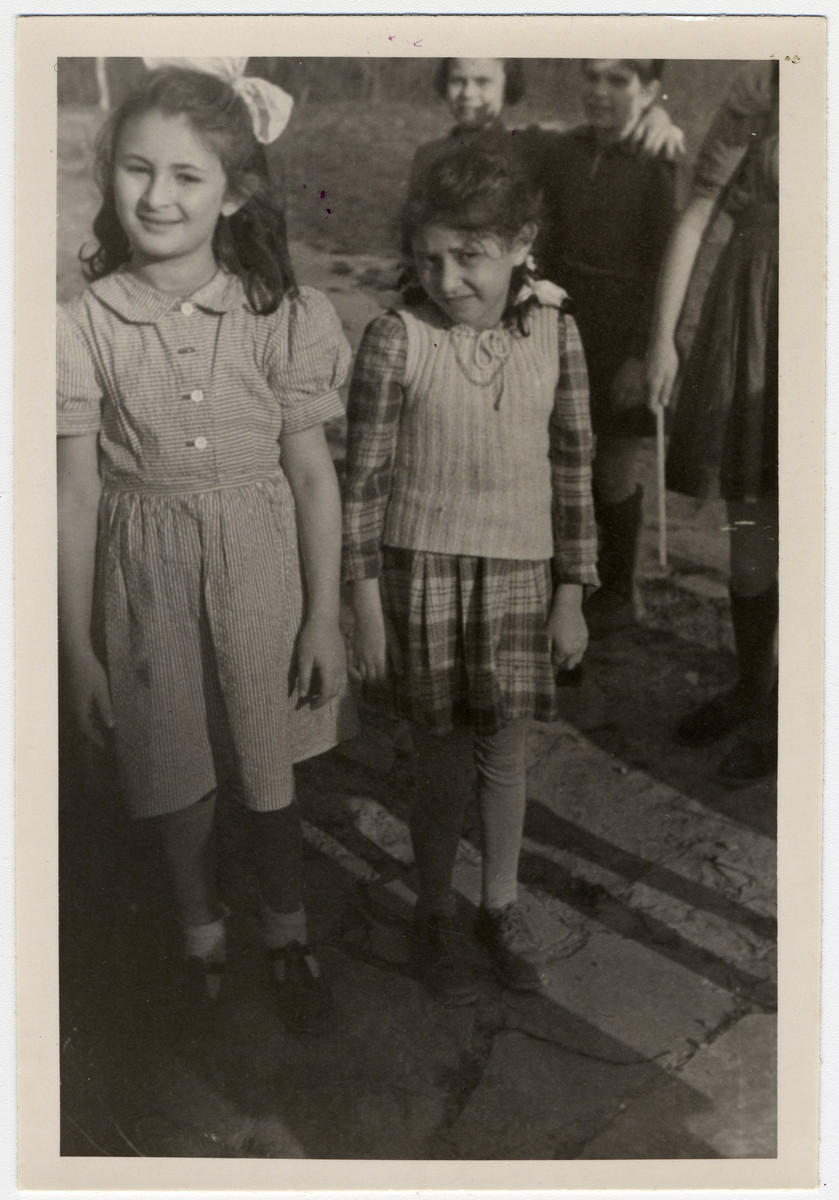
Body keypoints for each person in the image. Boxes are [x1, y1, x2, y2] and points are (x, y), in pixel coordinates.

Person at [57, 64, 352, 1034]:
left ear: (234, 192)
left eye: (187, 176)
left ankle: (286, 930)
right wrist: (79, 650)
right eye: (138, 170)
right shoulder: (79, 327)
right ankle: (198, 934)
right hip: (143, 589)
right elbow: (74, 490)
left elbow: (312, 476)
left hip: (260, 579)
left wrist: (323, 615)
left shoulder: (279, 316)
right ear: (110, 179)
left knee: (268, 782)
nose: (157, 196)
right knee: (173, 783)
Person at [343, 147, 598, 1005]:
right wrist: (364, 602)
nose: (448, 279)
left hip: (522, 573)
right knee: (442, 759)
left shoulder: (558, 333)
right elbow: (366, 478)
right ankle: (435, 913)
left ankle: (497, 905)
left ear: (521, 242)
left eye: (470, 257)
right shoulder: (394, 339)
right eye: (429, 259)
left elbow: (572, 464)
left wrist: (571, 591)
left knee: (504, 754)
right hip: (425, 576)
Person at [645, 61, 779, 786]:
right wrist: (661, 337)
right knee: (752, 532)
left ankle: (794, 719)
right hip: (755, 319)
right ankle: (754, 687)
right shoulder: (759, 98)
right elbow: (696, 216)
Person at [534, 60, 681, 634]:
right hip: (568, 319)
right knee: (562, 460)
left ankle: (618, 591)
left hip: (628, 329)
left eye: (618, 81)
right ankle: (562, 585)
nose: (600, 92)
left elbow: (668, 265)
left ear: (647, 90)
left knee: (613, 469)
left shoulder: (658, 163)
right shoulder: (564, 151)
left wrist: (644, 354)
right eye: (591, 77)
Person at [408, 57, 685, 191]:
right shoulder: (428, 154)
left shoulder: (528, 145)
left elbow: (599, 133)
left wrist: (656, 116)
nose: (468, 94)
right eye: (458, 81)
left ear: (508, 85)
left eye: (482, 82)